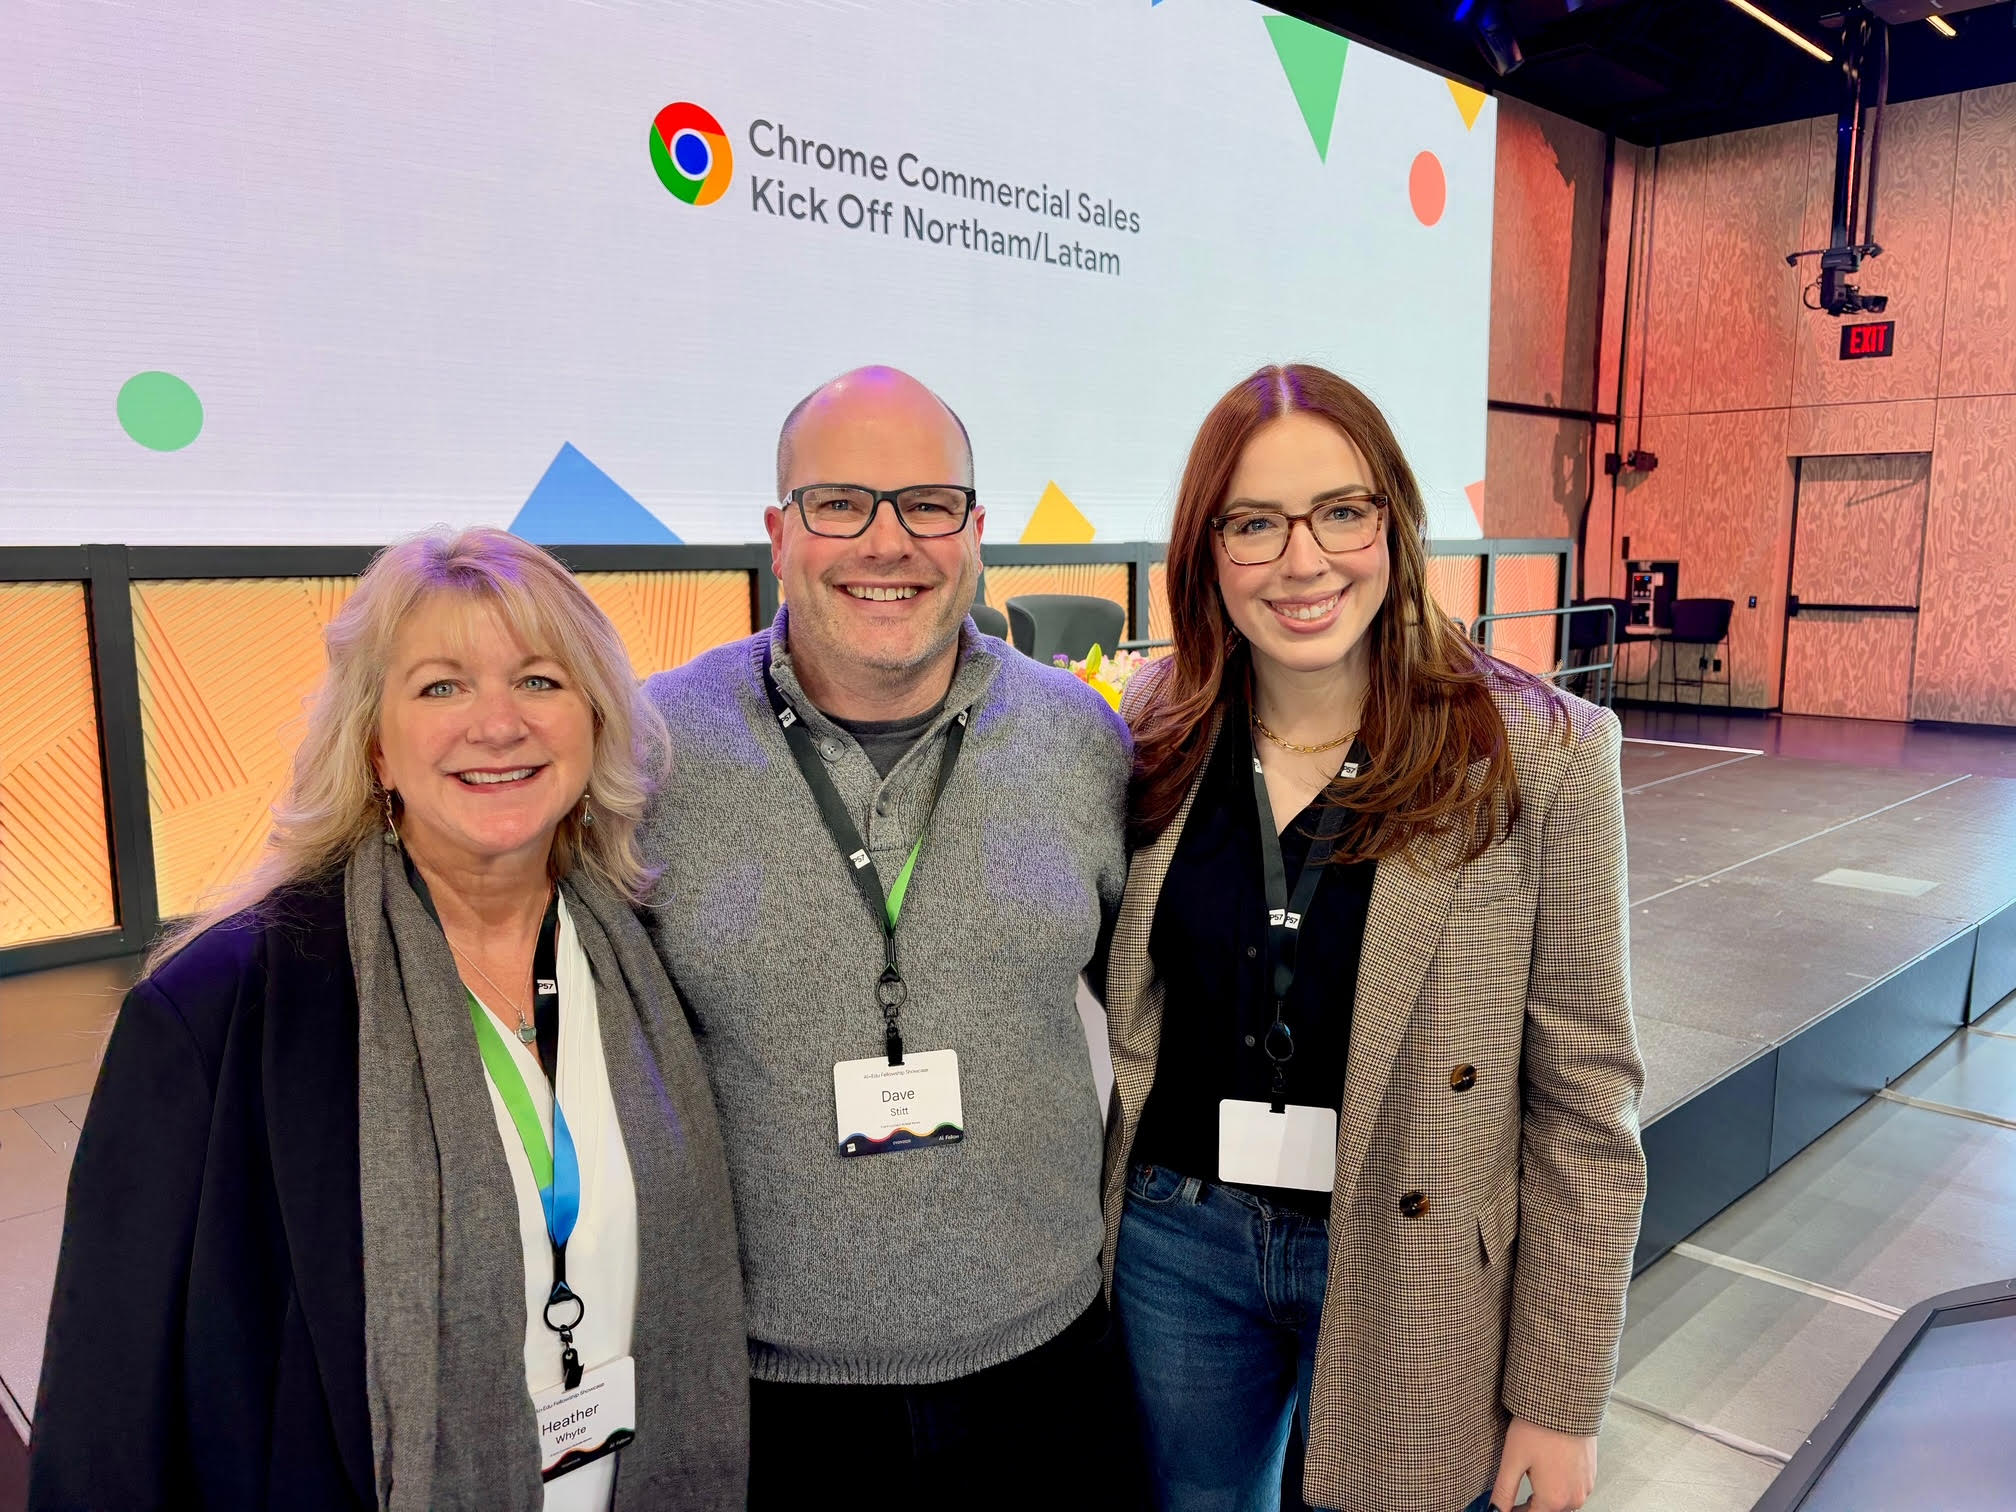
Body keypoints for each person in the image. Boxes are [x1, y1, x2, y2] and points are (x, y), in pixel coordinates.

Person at [31, 528, 746, 1512]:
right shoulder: (218, 1010)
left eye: (539, 680)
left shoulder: (652, 957)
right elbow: (110, 1410)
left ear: (593, 718)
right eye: (441, 687)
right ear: (374, 739)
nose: (497, 726)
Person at [1104, 365, 1645, 1512]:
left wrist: (1560, 1398)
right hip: (1179, 1243)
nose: (1303, 561)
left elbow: (1587, 1104)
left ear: (1393, 522)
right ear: (1208, 549)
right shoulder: (1151, 729)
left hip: (1416, 1249)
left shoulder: (1539, 752)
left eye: (1340, 511)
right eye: (1254, 523)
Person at [641, 366, 1138, 1504]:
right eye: (839, 504)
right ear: (778, 533)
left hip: (1047, 1365)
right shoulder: (651, 750)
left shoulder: (1079, 741)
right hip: (765, 1396)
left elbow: (1152, 1011)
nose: (886, 542)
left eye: (925, 505)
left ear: (974, 532)